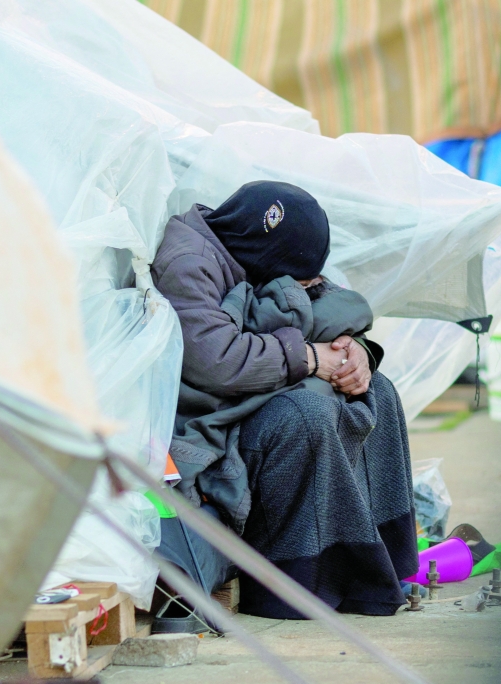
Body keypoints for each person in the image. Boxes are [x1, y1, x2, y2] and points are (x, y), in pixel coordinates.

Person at [151, 180, 418, 618]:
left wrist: (357, 353)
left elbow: (324, 303)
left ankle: (379, 564)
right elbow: (216, 360)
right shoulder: (188, 264)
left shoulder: (255, 248)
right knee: (304, 413)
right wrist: (311, 357)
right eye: (301, 276)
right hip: (206, 425)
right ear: (268, 256)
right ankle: (299, 581)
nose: (309, 283)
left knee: (376, 391)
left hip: (251, 398)